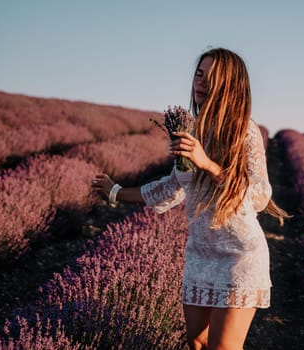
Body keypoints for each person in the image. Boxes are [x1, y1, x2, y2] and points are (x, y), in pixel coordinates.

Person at [91, 47, 289, 350]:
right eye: (199, 74)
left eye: (212, 78)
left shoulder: (244, 131)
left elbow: (260, 195)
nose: (201, 82)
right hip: (200, 253)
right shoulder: (192, 130)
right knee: (197, 343)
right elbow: (173, 186)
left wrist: (206, 162)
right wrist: (116, 192)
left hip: (239, 255)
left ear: (229, 85)